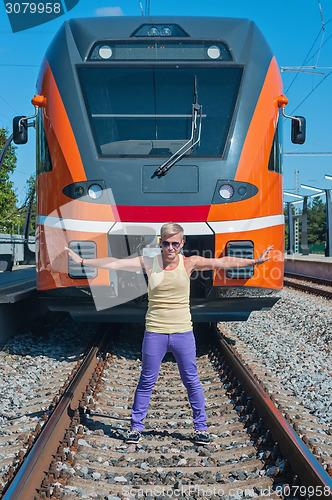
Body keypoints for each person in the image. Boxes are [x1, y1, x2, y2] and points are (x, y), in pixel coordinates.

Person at [65, 223, 272, 445]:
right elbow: (115, 263)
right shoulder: (148, 263)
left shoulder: (189, 262)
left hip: (183, 332)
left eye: (175, 243)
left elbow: (222, 262)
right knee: (146, 380)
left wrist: (255, 261)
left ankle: (201, 428)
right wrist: (82, 261)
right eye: (166, 243)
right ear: (160, 243)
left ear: (182, 244)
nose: (170, 247)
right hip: (155, 332)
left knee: (191, 380)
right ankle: (136, 428)